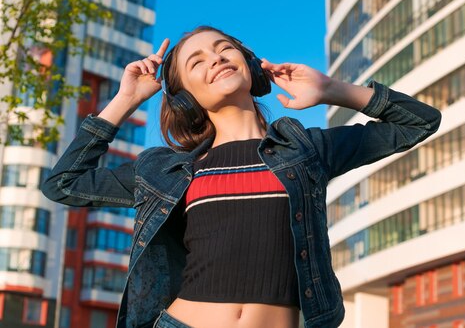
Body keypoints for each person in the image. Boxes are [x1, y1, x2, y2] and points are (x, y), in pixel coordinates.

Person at [42, 25, 442, 328]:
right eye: (196, 62)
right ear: (184, 96)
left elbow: (419, 123)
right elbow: (64, 183)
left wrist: (332, 89)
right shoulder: (165, 170)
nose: (215, 59)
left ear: (250, 66)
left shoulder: (305, 149)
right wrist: (125, 100)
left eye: (224, 49)